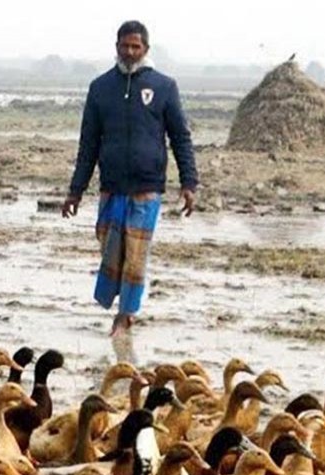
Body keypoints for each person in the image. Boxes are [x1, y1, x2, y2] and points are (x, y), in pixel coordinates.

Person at [62, 20, 198, 337]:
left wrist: (189, 183)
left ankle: (125, 316)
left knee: (135, 257)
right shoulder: (100, 88)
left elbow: (181, 137)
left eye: (136, 46)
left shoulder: (164, 87)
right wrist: (75, 191)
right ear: (116, 47)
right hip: (111, 187)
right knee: (111, 252)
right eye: (125, 46)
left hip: (147, 188)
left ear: (146, 49)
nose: (130, 51)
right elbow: (88, 144)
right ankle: (120, 305)